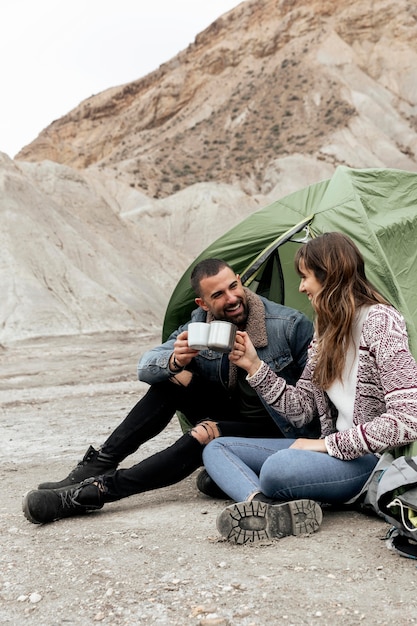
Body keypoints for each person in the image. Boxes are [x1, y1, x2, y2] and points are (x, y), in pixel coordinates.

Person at [22, 258, 316, 524]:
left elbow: (309, 410)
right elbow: (144, 367)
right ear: (203, 304)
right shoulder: (201, 323)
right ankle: (99, 464)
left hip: (277, 427)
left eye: (233, 286)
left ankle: (94, 493)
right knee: (173, 378)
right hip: (233, 412)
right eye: (218, 295)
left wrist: (254, 365)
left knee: (203, 432)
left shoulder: (289, 326)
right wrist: (175, 359)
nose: (231, 298)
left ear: (240, 280)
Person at [202, 232, 417, 544]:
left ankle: (255, 489)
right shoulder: (326, 330)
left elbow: (408, 420)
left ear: (328, 275)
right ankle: (262, 507)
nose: (301, 287)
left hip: (368, 460)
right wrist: (253, 366)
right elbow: (301, 410)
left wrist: (327, 446)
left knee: (277, 469)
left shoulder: (381, 323)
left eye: (305, 277)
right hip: (331, 452)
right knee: (216, 448)